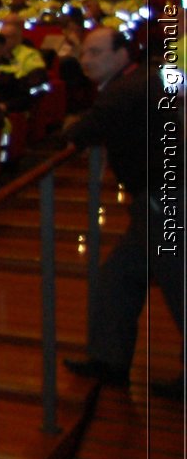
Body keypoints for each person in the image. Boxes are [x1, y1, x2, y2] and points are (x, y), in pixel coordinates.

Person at [63, 29, 179, 393]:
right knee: (119, 275)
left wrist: (70, 132)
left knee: (179, 284)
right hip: (154, 197)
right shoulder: (143, 77)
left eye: (96, 52)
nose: (87, 60)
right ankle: (108, 360)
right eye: (84, 53)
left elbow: (82, 131)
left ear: (121, 54)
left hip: (166, 196)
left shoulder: (124, 90)